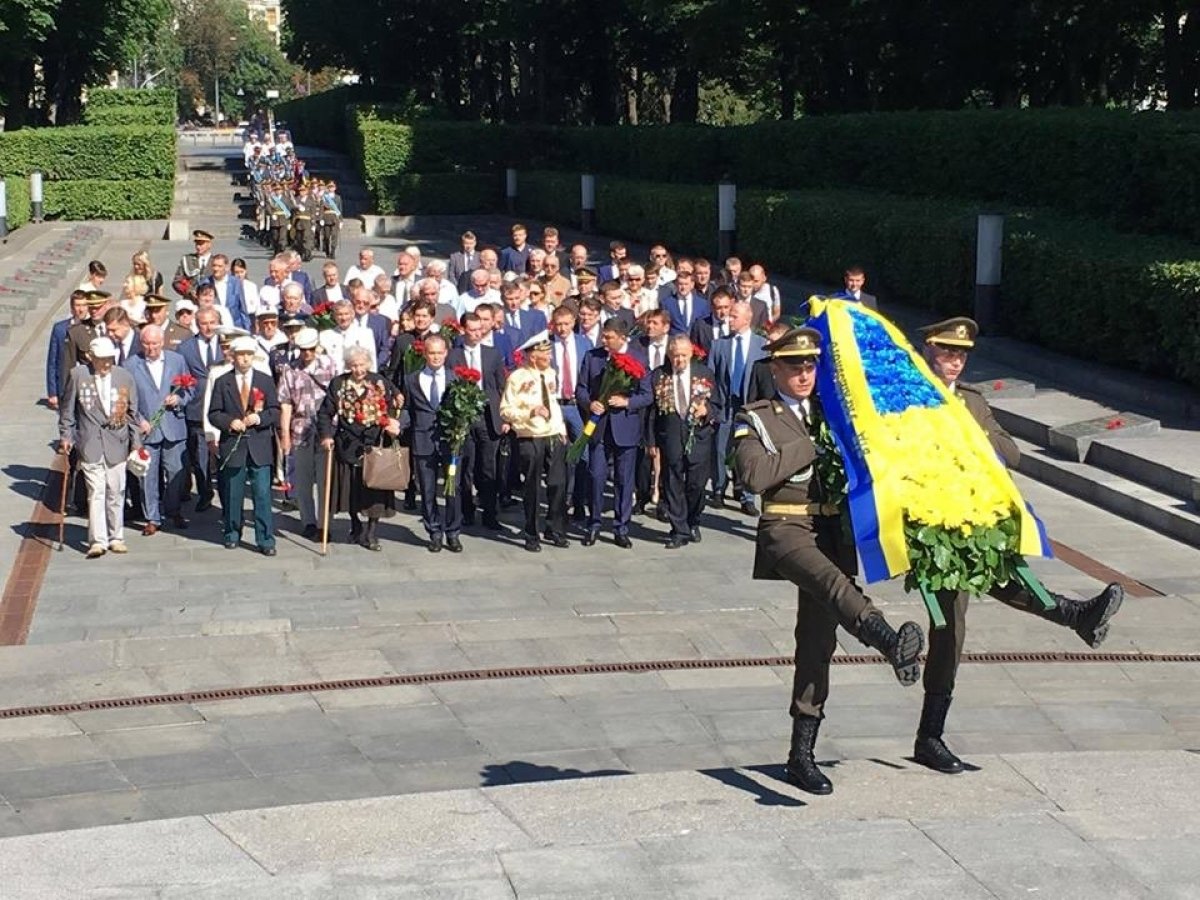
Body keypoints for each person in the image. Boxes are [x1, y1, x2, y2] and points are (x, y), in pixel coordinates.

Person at [912, 317, 1124, 775]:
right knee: (949, 625)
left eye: (961, 355)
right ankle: (1073, 615)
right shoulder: (905, 397)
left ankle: (930, 736)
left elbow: (1011, 452)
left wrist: (973, 438)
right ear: (928, 350)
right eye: (947, 352)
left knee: (967, 613)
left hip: (971, 519)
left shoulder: (971, 401)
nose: (955, 361)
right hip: (926, 523)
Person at [733, 326, 925, 795]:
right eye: (794, 366)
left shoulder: (834, 410)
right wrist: (811, 443)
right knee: (836, 585)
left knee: (817, 642)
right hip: (786, 528)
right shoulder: (756, 417)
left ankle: (801, 756)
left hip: (831, 530)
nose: (804, 374)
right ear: (774, 368)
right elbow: (753, 474)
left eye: (810, 366)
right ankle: (886, 638)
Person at [58, 337, 143, 558]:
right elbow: (67, 410)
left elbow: (133, 414)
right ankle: (97, 541)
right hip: (90, 443)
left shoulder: (124, 377)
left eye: (109, 359)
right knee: (95, 492)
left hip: (117, 442)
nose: (105, 364)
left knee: (116, 491)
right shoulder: (78, 375)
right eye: (100, 359)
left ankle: (116, 537)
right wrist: (66, 435)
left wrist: (136, 444)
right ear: (91, 357)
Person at [576, 318, 651, 548]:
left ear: (622, 337)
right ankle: (594, 523)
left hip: (625, 427)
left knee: (624, 479)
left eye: (609, 337)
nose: (604, 340)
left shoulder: (639, 358)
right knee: (596, 476)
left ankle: (621, 527)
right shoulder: (593, 357)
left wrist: (627, 402)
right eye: (603, 336)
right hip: (599, 426)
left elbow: (647, 395)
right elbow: (581, 388)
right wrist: (590, 403)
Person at [208, 336, 280, 555]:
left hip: (259, 445)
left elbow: (275, 410)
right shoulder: (223, 381)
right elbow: (214, 413)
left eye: (249, 354)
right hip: (234, 444)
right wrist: (229, 422)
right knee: (233, 492)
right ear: (233, 357)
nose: (245, 359)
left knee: (262, 494)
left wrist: (260, 418)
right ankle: (232, 532)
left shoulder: (264, 380)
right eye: (241, 355)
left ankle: (265, 539)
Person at [649, 335, 721, 548]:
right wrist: (651, 441)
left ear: (691, 354)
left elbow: (717, 404)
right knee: (672, 483)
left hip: (698, 436)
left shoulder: (704, 374)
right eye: (675, 356)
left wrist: (706, 410)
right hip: (670, 437)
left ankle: (693, 520)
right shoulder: (659, 375)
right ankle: (679, 529)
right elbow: (651, 413)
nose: (679, 360)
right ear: (669, 355)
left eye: (683, 355)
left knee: (697, 484)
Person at [502, 331, 570, 552]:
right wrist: (530, 412)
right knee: (532, 486)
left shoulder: (550, 374)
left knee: (558, 483)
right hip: (530, 435)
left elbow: (553, 403)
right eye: (545, 354)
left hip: (552, 433)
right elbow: (506, 409)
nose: (549, 358)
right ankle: (532, 532)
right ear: (533, 356)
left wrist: (561, 428)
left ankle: (555, 527)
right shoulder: (517, 377)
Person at [124, 325, 193, 535]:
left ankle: (173, 510)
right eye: (146, 344)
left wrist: (179, 399)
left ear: (162, 342)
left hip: (173, 425)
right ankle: (152, 517)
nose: (151, 348)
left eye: (154, 343)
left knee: (175, 472)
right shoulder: (130, 365)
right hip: (147, 429)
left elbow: (190, 388)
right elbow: (126, 400)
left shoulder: (176, 360)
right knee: (147, 476)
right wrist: (139, 420)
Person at [402, 335, 465, 553]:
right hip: (423, 440)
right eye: (432, 353)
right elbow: (407, 409)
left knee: (453, 488)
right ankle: (434, 531)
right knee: (427, 489)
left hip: (450, 441)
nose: (436, 357)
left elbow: (464, 408)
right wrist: (398, 423)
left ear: (446, 353)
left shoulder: (455, 378)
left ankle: (453, 532)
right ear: (425, 354)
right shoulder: (412, 379)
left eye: (439, 353)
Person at [447, 313, 507, 531]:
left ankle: (490, 512)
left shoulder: (492, 354)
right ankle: (467, 511)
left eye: (479, 329)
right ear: (463, 330)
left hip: (487, 415)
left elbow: (501, 386)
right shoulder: (453, 356)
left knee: (488, 466)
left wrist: (504, 416)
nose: (476, 334)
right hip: (464, 417)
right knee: (466, 467)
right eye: (472, 330)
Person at [279, 328, 338, 541]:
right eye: (303, 350)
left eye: (311, 349)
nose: (307, 354)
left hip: (325, 429)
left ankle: (324, 523)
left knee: (325, 480)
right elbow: (285, 403)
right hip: (300, 428)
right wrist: (285, 435)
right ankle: (308, 521)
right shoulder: (289, 370)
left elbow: (338, 395)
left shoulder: (329, 365)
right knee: (303, 480)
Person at [710, 301, 767, 515]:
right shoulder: (719, 345)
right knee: (720, 449)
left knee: (746, 451)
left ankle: (747, 495)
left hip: (748, 408)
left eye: (734, 316)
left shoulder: (761, 346)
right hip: (725, 406)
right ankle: (718, 489)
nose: (729, 319)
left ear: (747, 319)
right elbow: (710, 377)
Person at [177, 307, 223, 512]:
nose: (208, 327)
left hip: (223, 406)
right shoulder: (186, 348)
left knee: (222, 453)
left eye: (212, 322)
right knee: (200, 454)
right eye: (204, 323)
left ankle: (226, 494)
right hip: (197, 407)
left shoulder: (226, 344)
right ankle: (205, 492)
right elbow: (182, 376)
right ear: (197, 324)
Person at [47, 290, 90, 410]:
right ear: (72, 308)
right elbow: (52, 361)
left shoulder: (93, 328)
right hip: (66, 385)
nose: (81, 309)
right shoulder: (60, 329)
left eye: (84, 305)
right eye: (78, 305)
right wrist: (52, 392)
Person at [173, 230, 214, 297]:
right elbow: (177, 281)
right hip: (190, 299)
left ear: (209, 244)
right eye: (197, 244)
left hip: (210, 299)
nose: (198, 247)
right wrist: (188, 291)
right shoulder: (187, 260)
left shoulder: (216, 261)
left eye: (201, 244)